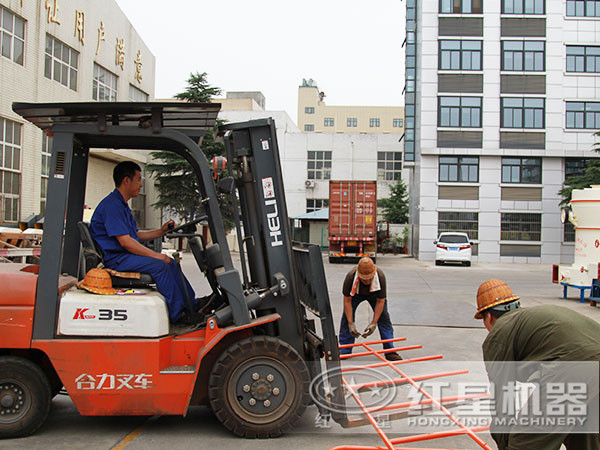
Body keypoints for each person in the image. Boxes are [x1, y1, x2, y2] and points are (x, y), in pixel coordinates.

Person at [475, 278, 600, 450]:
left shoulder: (500, 331)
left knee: (527, 440)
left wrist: (505, 444)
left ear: (488, 316)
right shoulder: (532, 318)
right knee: (584, 436)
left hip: (573, 367)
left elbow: (503, 399)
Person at [90, 161, 196, 323]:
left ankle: (192, 305)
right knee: (161, 265)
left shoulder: (121, 205)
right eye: (139, 179)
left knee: (171, 263)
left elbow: (136, 235)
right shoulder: (112, 206)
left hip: (124, 256)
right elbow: (126, 242)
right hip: (117, 259)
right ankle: (177, 314)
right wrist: (157, 256)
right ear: (127, 181)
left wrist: (161, 231)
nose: (141, 185)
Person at [338, 257, 401, 361]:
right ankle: (345, 349)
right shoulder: (350, 277)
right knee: (346, 317)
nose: (367, 281)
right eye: (364, 278)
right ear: (359, 274)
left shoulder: (380, 276)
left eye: (369, 278)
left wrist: (374, 322)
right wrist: (351, 323)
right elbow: (347, 301)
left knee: (384, 317)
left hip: (374, 294)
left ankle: (389, 351)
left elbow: (381, 301)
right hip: (355, 294)